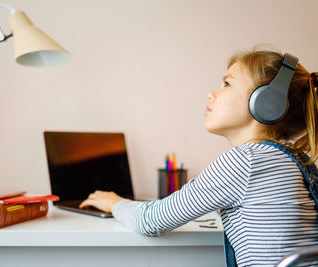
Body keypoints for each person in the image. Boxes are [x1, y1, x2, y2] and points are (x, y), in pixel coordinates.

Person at [79, 47, 318, 266]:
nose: (211, 94)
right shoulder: (300, 164)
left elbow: (150, 221)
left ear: (268, 102)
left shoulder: (246, 161)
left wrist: (114, 203)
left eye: (227, 84)